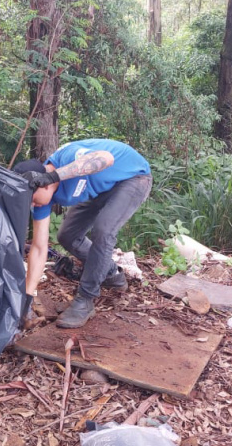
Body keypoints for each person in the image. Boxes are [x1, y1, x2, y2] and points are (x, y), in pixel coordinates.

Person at [14, 139, 151, 329]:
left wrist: (54, 176)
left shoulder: (68, 158)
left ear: (43, 184)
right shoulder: (41, 199)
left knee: (103, 231)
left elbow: (106, 158)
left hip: (132, 177)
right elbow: (38, 248)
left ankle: (86, 299)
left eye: (31, 199)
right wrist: (27, 298)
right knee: (67, 235)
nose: (31, 204)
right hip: (101, 188)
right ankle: (111, 273)